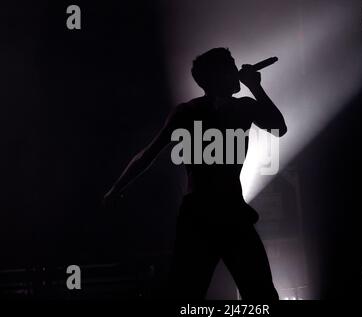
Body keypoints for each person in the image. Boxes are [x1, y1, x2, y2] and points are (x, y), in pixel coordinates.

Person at [104, 47, 287, 300]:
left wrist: (255, 87)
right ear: (217, 75)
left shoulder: (238, 108)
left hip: (222, 212)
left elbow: (279, 127)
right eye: (231, 66)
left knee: (257, 295)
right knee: (191, 294)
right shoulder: (191, 112)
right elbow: (148, 153)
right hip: (204, 215)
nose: (237, 71)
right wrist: (117, 188)